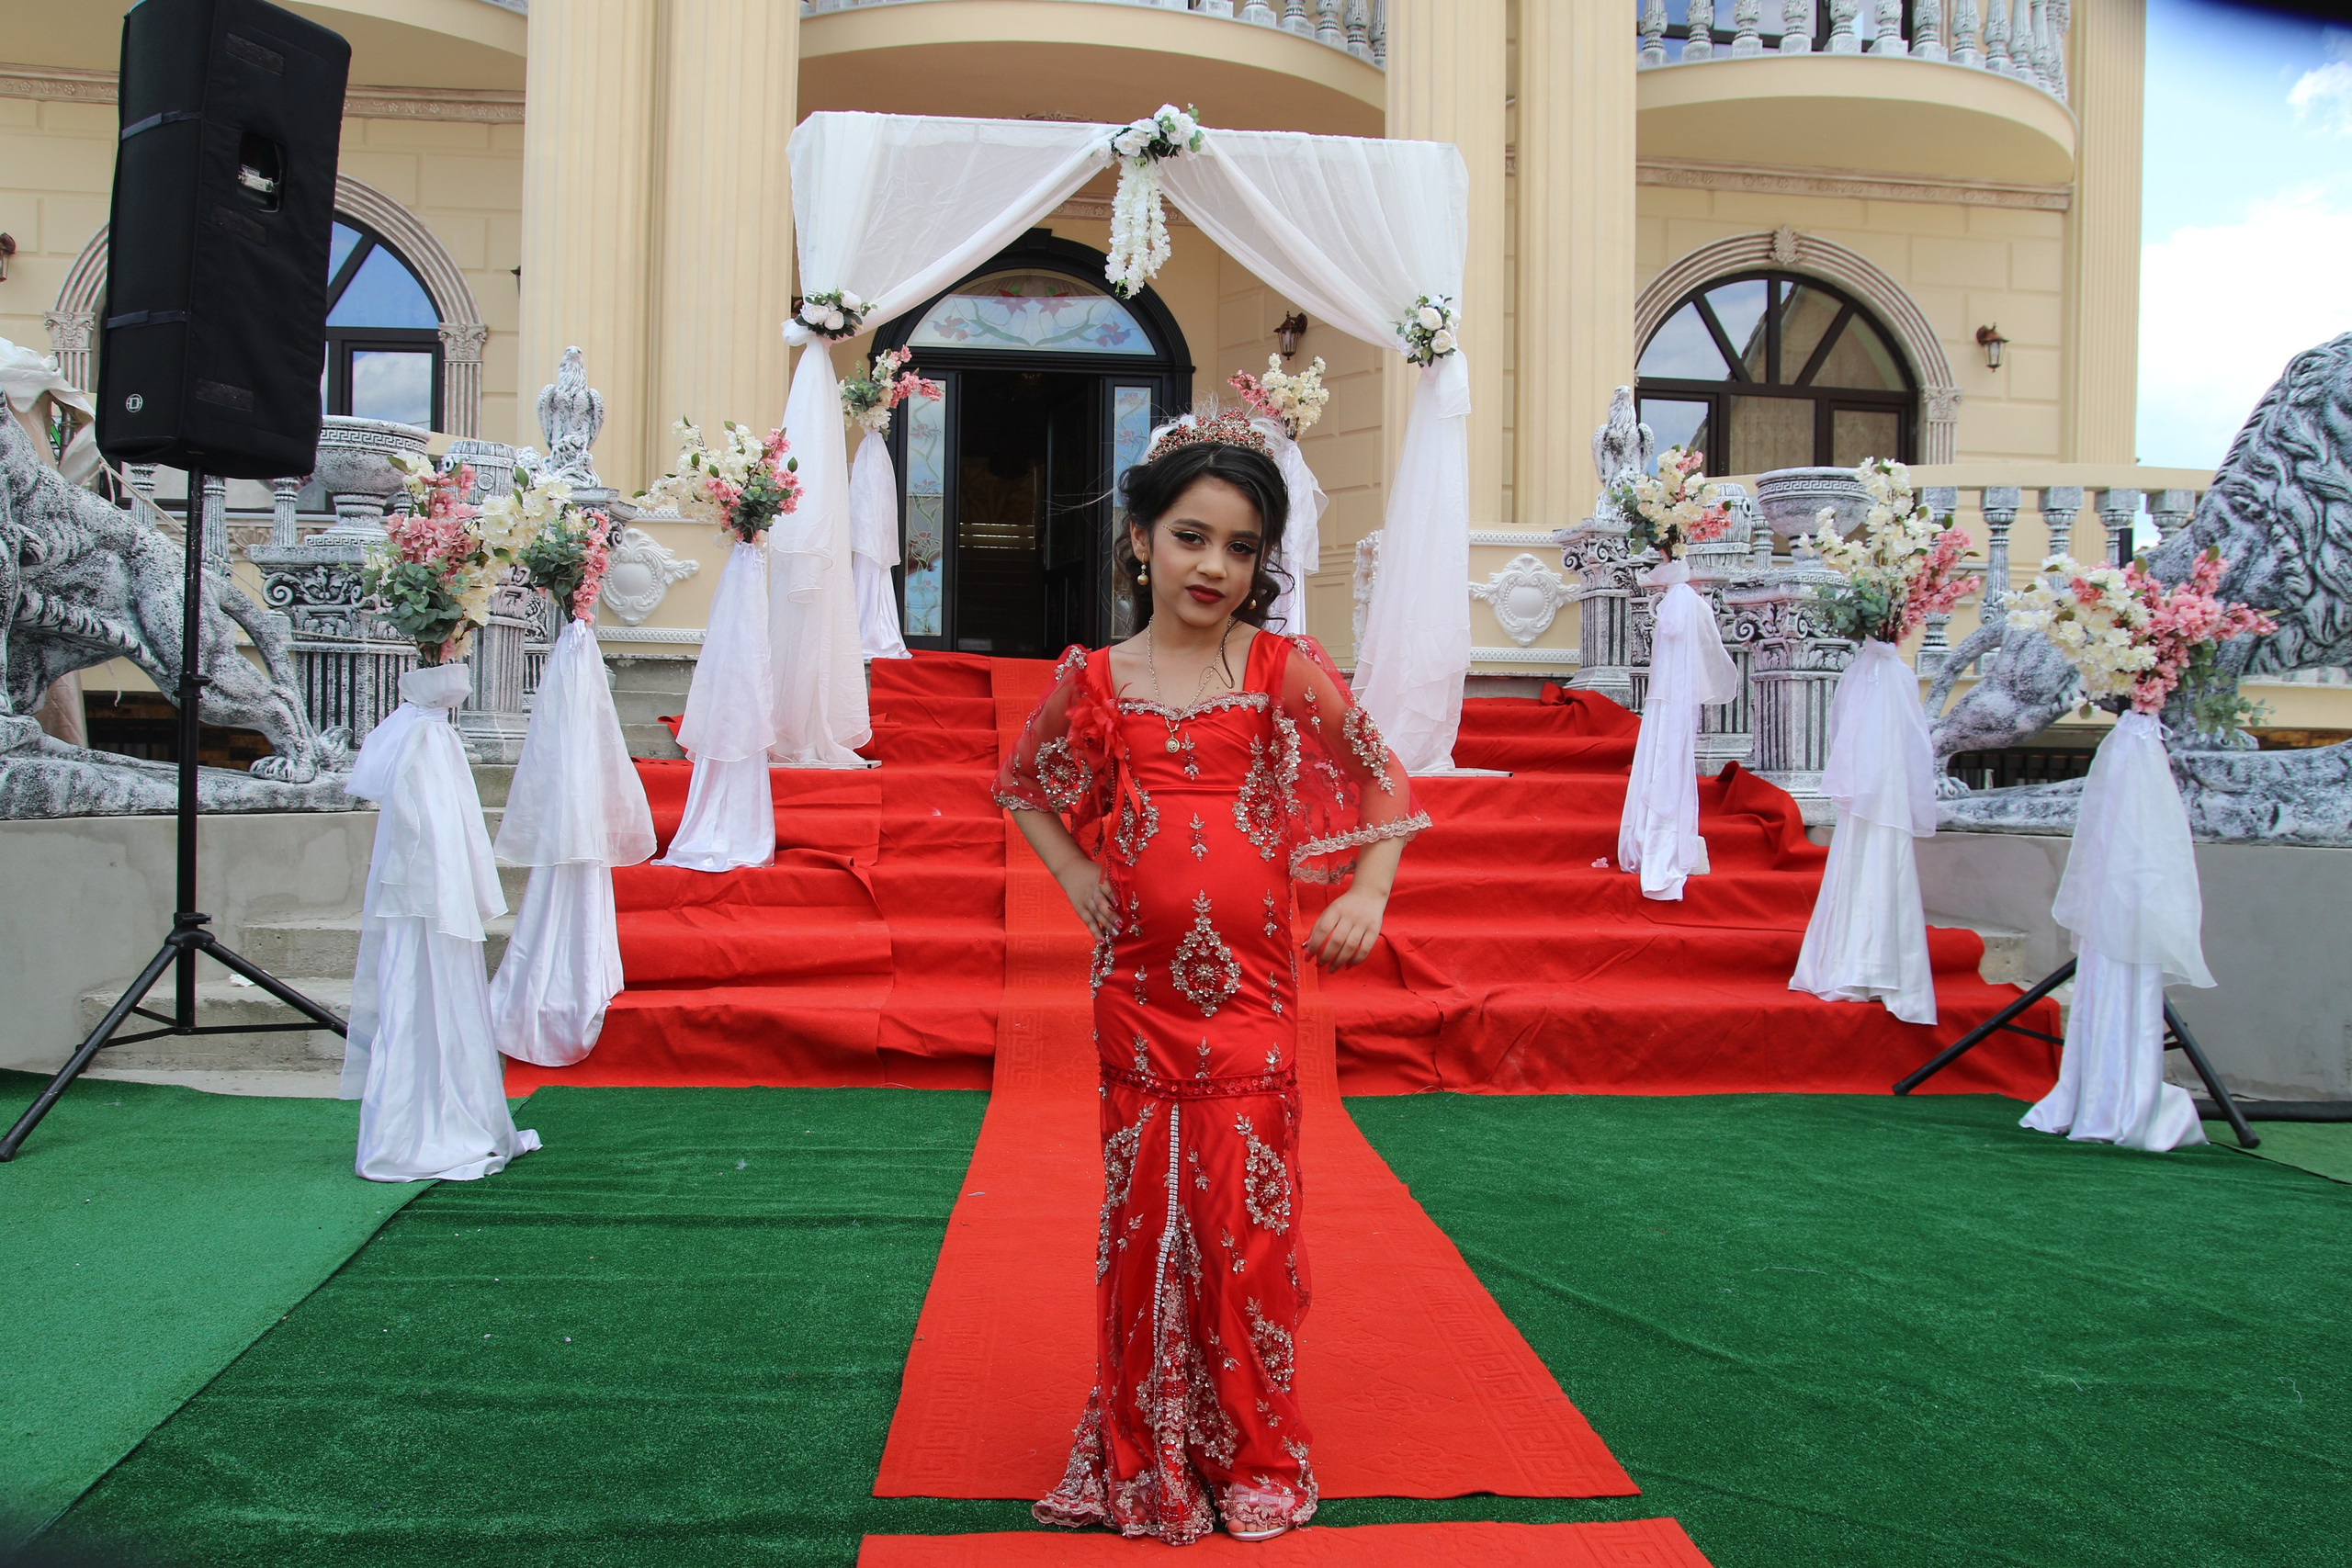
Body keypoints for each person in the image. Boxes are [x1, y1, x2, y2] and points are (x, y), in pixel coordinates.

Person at [995, 411, 1428, 1546]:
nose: (1214, 568)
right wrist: (1075, 873)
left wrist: (1368, 892)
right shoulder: (1096, 677)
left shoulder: (1283, 671)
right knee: (1145, 1223)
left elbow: (1382, 779)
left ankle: (1251, 1452)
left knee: (1246, 1227)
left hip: (1252, 998)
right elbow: (1026, 783)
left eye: (1241, 548)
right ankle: (1145, 1446)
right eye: (1191, 538)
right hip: (1135, 997)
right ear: (1140, 540)